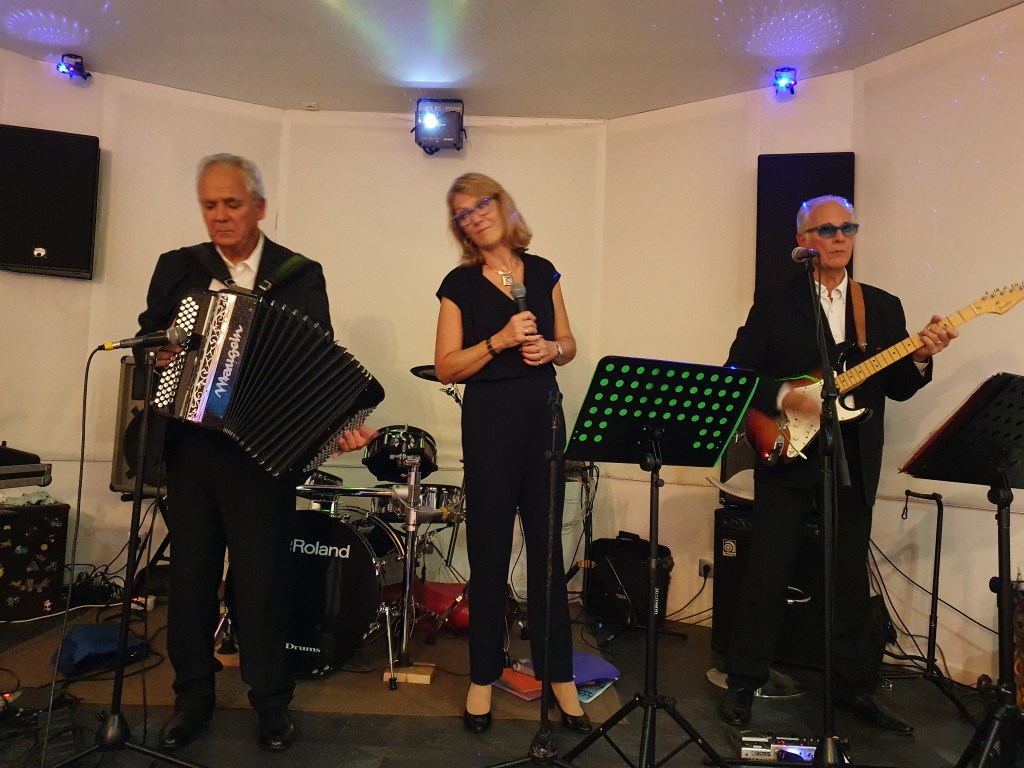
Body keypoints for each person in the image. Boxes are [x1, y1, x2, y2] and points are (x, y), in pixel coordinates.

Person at [137, 153, 375, 752]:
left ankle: (271, 702)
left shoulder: (299, 275)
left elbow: (316, 363)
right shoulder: (179, 268)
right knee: (190, 579)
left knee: (262, 581)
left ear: (259, 207)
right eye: (209, 205)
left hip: (264, 454)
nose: (219, 216)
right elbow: (149, 338)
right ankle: (192, 699)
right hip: (193, 445)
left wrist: (337, 425)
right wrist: (160, 356)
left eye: (231, 204)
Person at [718, 195, 957, 734]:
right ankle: (743, 682)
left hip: (854, 460)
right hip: (787, 454)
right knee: (767, 573)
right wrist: (787, 396)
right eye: (826, 230)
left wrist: (922, 355)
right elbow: (737, 371)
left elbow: (897, 385)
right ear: (803, 242)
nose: (840, 237)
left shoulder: (882, 306)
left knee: (848, 580)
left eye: (848, 227)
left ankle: (854, 688)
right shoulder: (775, 301)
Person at [433, 172, 590, 735]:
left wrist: (552, 349)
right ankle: (482, 676)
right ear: (460, 228)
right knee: (490, 549)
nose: (474, 217)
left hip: (543, 415)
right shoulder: (458, 284)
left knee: (548, 550)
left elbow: (569, 343)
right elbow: (446, 366)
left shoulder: (543, 271)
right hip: (490, 420)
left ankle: (560, 675)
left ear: (502, 206)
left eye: (480, 205)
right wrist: (498, 340)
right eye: (462, 214)